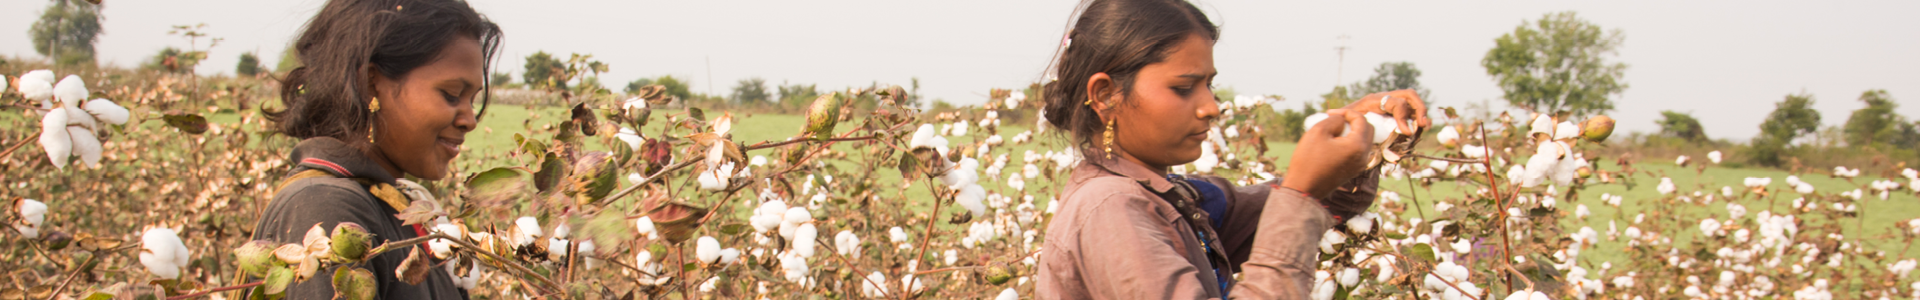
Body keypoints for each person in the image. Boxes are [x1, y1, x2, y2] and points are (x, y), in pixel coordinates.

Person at [1031, 0, 1430, 299]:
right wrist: (1299, 194)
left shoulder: (1177, 199)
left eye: (1210, 85)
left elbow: (1330, 201)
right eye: (1184, 88)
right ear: (1105, 95)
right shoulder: (1112, 211)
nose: (1211, 107)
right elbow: (1294, 207)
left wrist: (1365, 131)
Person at [250, 0, 502, 298]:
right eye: (451, 95)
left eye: (472, 100)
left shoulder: (393, 202)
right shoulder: (325, 207)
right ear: (370, 83)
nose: (470, 120)